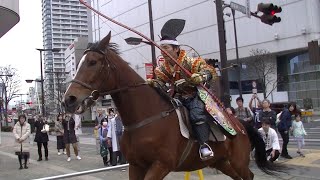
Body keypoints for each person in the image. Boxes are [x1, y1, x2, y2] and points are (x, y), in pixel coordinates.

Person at [147, 19, 217, 158]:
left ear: (176, 48)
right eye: (162, 49)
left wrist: (200, 77)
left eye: (166, 48)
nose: (163, 52)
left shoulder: (191, 61)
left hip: (195, 95)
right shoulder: (162, 68)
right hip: (177, 98)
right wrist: (155, 83)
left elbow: (210, 71)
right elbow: (162, 83)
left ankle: (204, 145)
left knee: (196, 115)